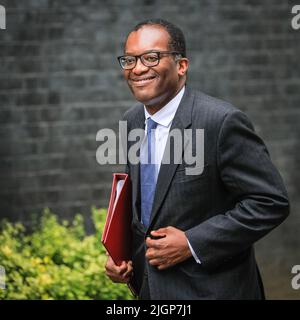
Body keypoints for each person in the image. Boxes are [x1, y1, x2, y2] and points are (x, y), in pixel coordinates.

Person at [105, 19, 290, 299]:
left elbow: (270, 202)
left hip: (213, 291)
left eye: (151, 57)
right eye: (129, 60)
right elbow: (144, 209)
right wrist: (122, 256)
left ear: (181, 66)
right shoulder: (131, 122)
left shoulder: (221, 122)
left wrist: (192, 242)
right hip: (151, 291)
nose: (138, 68)